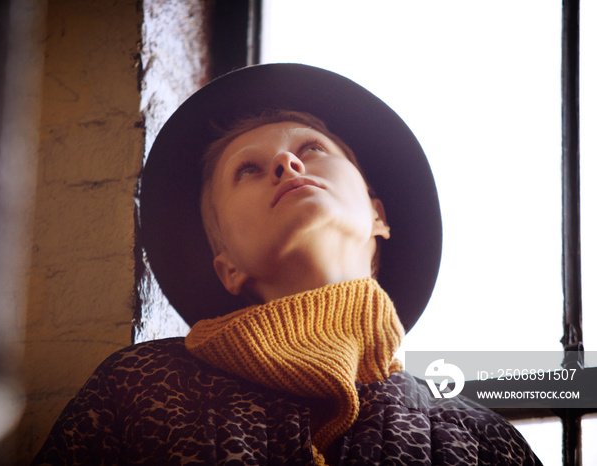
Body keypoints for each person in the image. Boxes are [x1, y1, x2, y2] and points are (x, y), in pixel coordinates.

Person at [32, 64, 540, 465]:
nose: (288, 163)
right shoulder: (135, 389)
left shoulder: (483, 443)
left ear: (378, 215)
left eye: (311, 148)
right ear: (226, 265)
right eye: (248, 169)